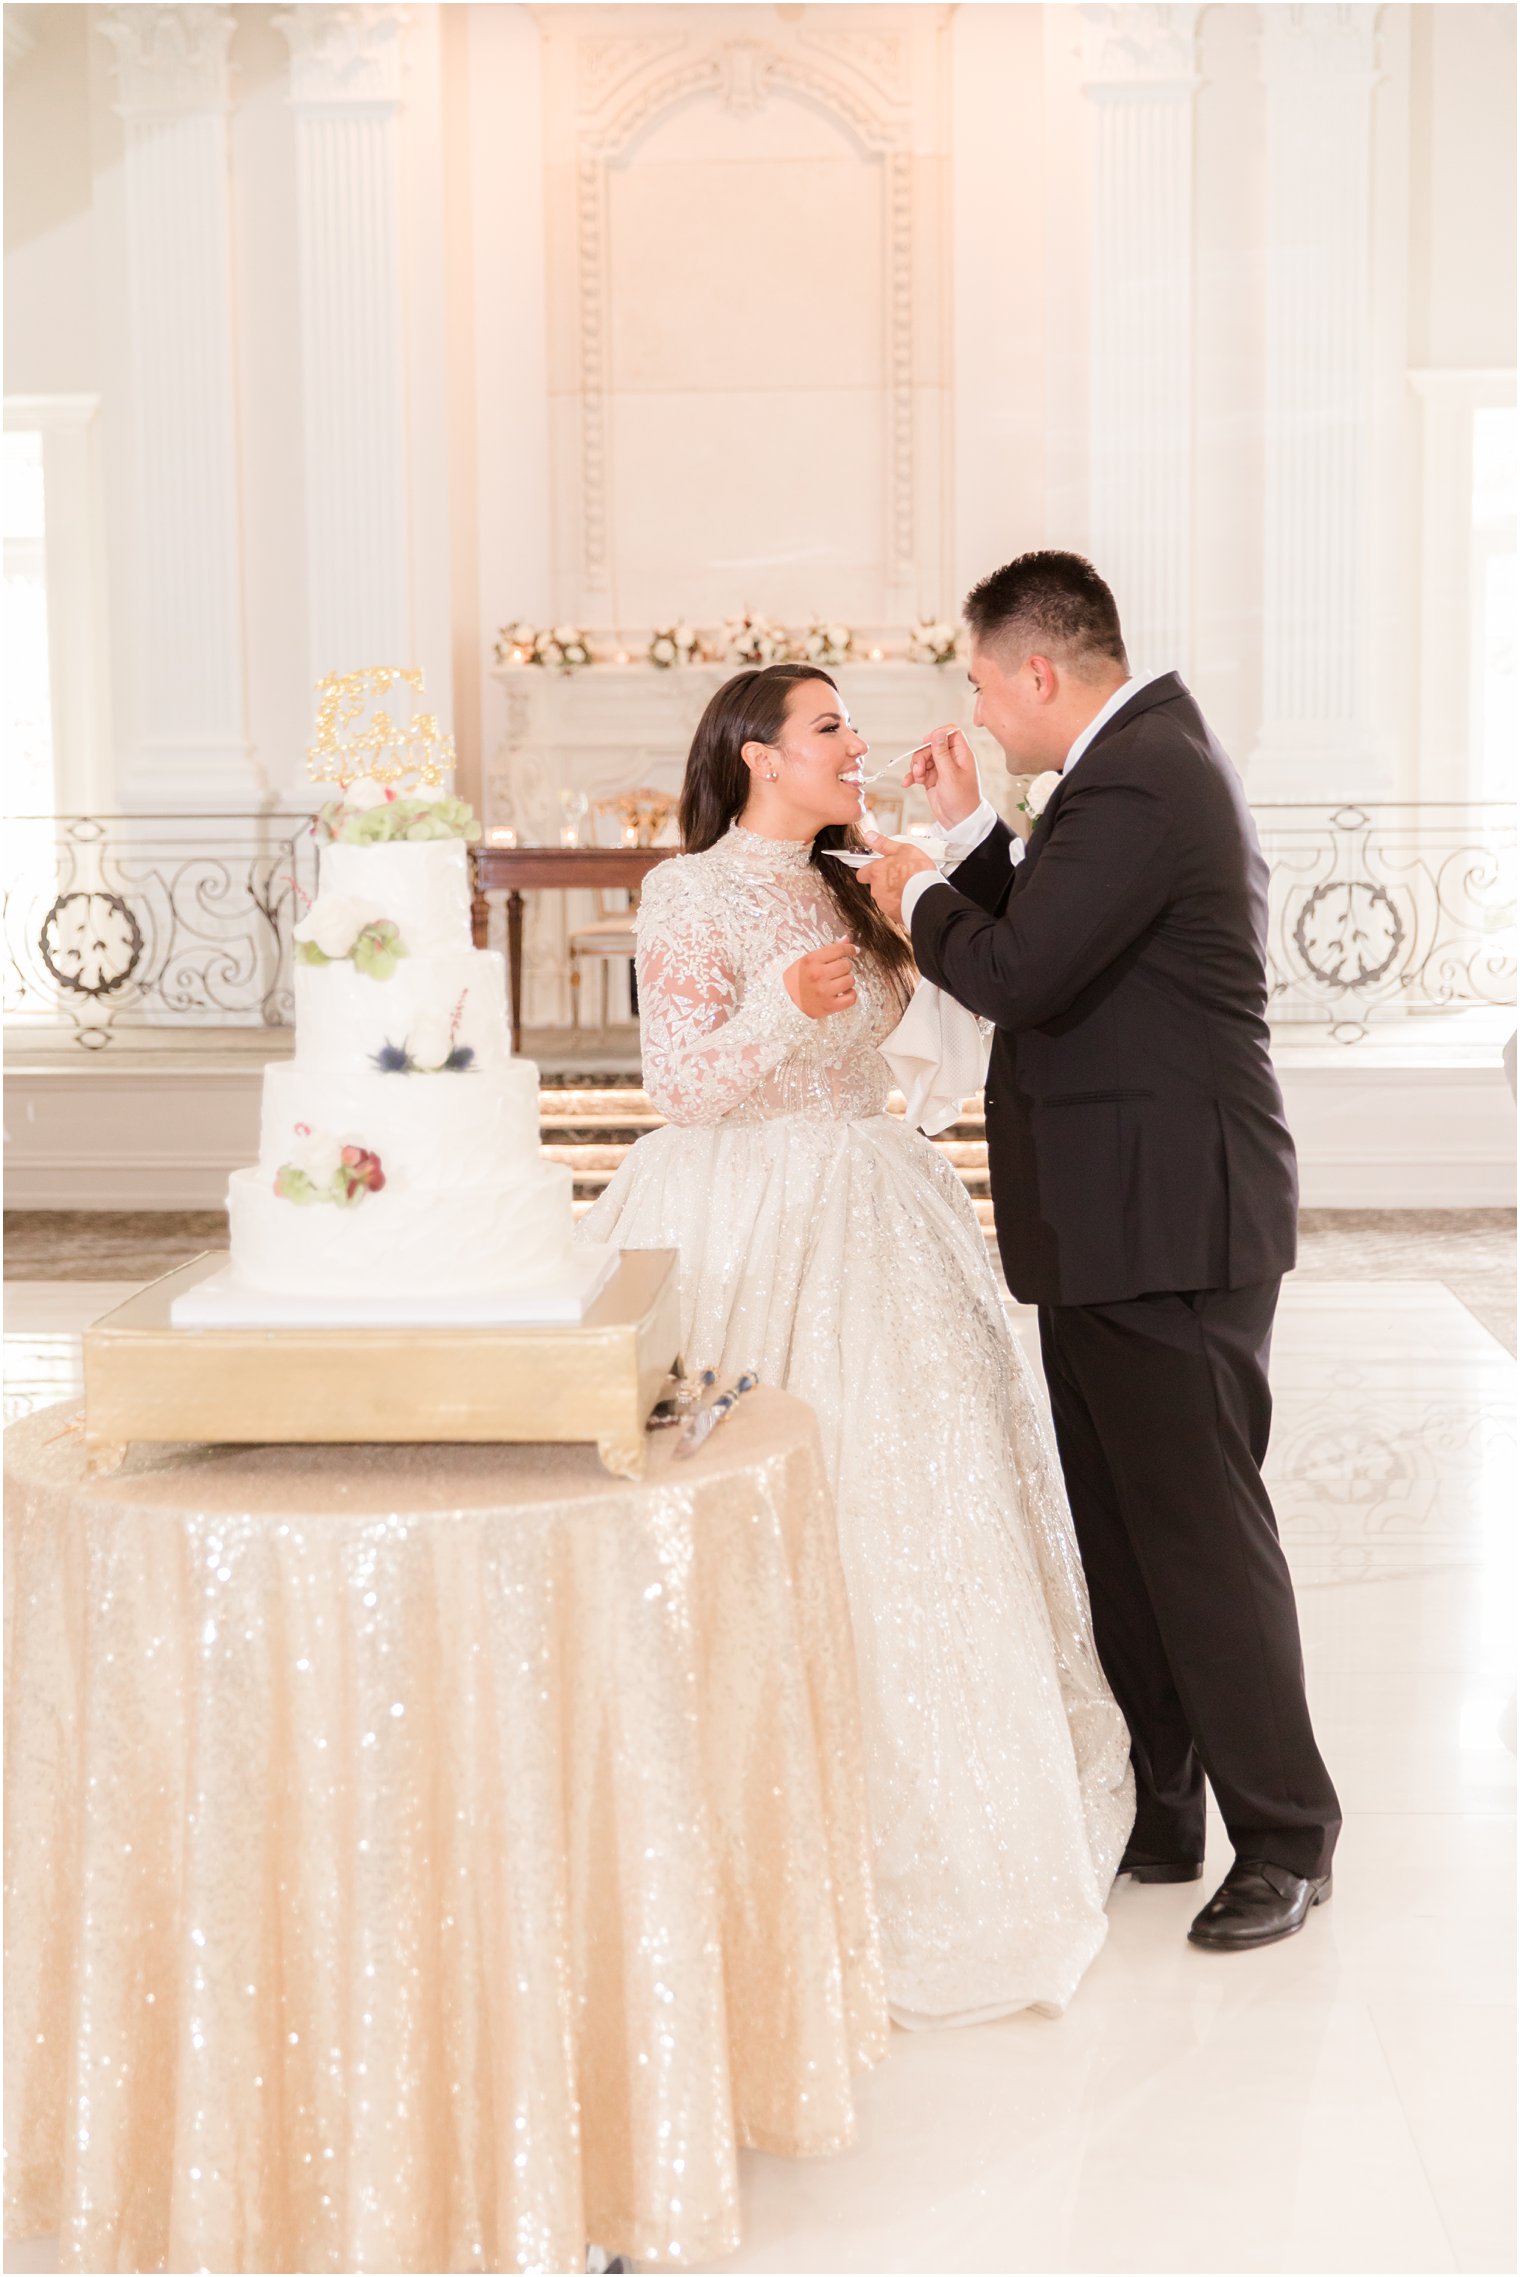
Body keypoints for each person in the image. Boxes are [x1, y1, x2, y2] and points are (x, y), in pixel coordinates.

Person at [577, 661, 1134, 2027]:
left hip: (878, 1204)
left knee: (918, 1502)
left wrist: (940, 849)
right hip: (745, 1215)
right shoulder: (688, 893)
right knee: (760, 1507)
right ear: (760, 753)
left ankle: (958, 1818)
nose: (856, 742)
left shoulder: (855, 871)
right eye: (831, 726)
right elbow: (679, 1085)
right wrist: (787, 1006)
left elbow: (958, 1014)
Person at [863, 551, 1341, 1952]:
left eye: (975, 680)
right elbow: (1058, 916)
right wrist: (973, 834)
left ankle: (1290, 1835)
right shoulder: (1128, 768)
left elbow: (1019, 973)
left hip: (1170, 1220)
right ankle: (1164, 1798)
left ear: (1037, 673)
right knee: (1127, 1534)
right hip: (1112, 1217)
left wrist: (911, 890)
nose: (976, 708)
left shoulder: (1141, 773)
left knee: (1197, 1533)